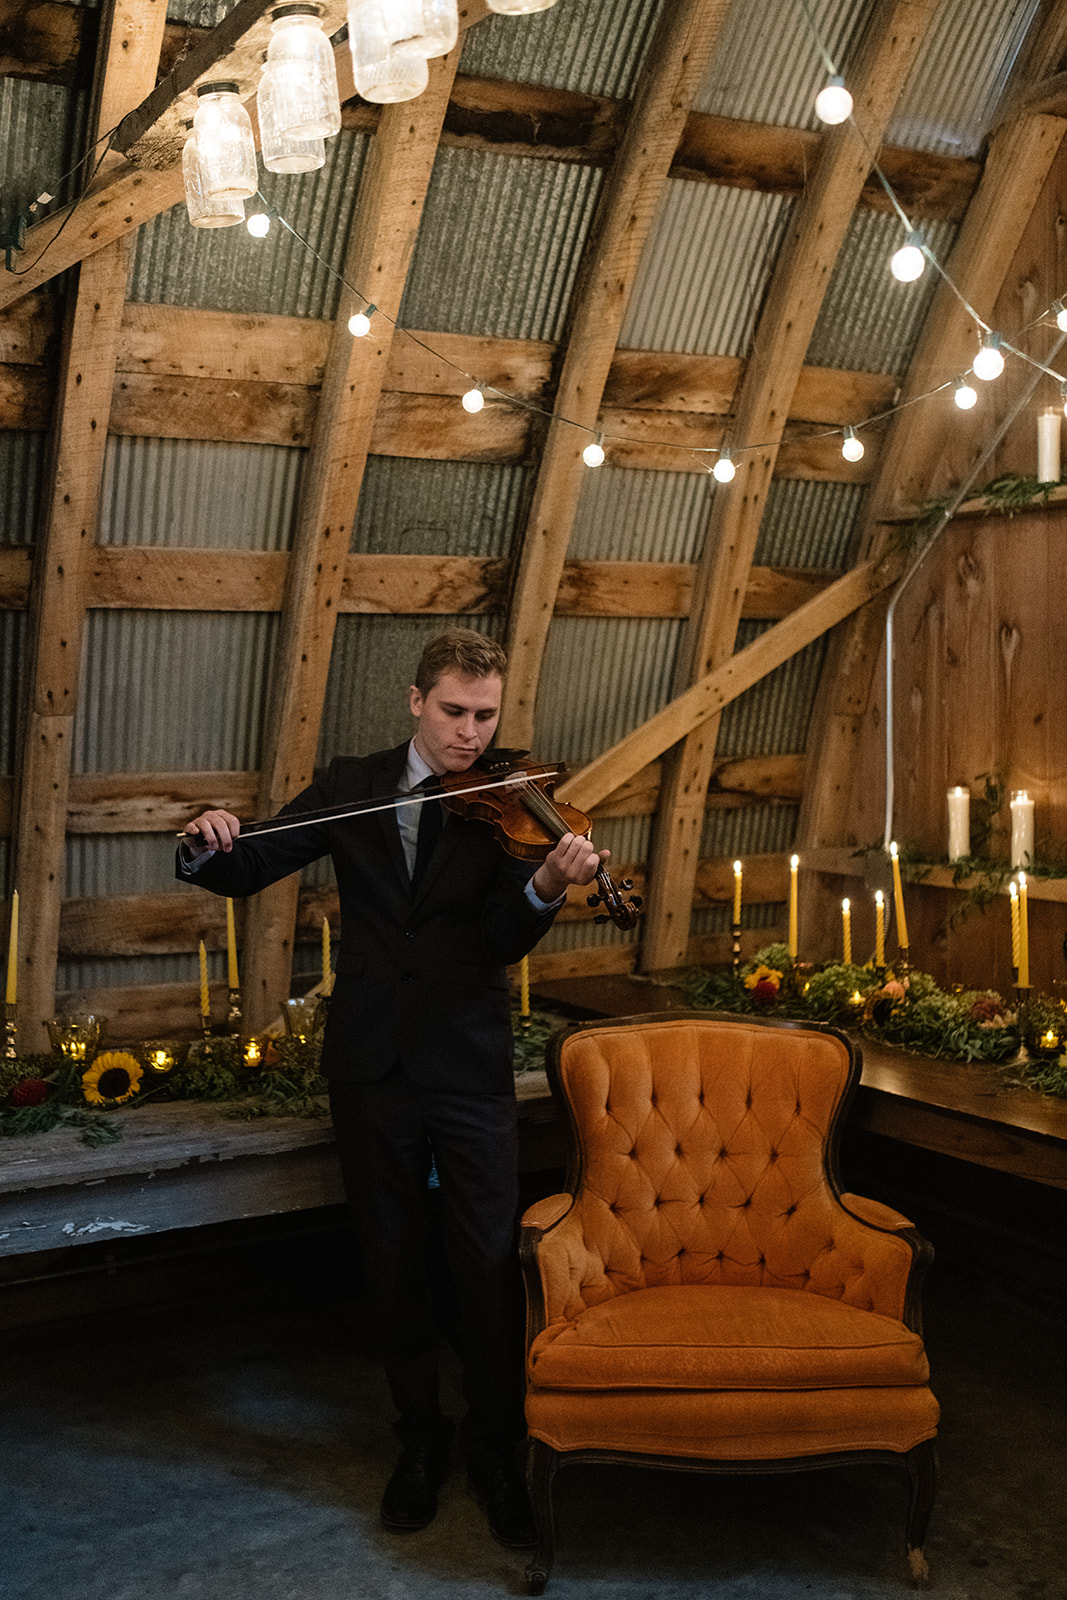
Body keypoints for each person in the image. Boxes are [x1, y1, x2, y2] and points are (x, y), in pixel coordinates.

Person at [177, 629, 606, 1547]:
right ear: (417, 702)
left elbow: (495, 939)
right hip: (371, 1062)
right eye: (454, 712)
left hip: (465, 1065)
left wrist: (542, 887)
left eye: (485, 715)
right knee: (391, 1259)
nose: (469, 733)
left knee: (486, 1262)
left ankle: (496, 1449)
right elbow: (248, 865)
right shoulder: (349, 783)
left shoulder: (507, 800)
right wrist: (209, 839)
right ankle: (420, 1439)